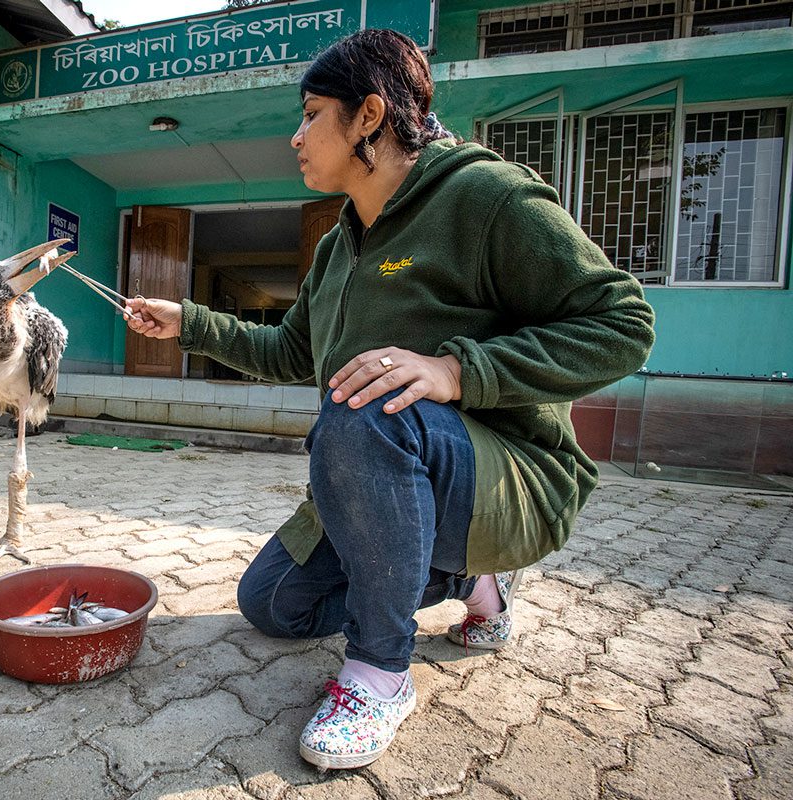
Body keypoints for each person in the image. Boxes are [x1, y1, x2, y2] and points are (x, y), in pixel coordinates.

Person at [124, 29, 654, 771]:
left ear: (368, 115)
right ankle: (471, 580)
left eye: (312, 114)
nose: (296, 135)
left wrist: (456, 371)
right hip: (389, 468)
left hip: (511, 476)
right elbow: (294, 353)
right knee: (273, 603)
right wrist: (191, 325)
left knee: (365, 400)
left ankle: (378, 672)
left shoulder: (486, 196)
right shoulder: (338, 248)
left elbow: (622, 325)